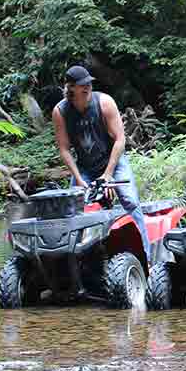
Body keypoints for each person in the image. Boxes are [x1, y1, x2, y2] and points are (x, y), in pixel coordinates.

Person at [52, 65, 150, 261]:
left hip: (114, 160)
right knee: (74, 211)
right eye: (82, 84)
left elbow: (120, 139)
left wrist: (108, 175)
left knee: (130, 201)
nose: (87, 86)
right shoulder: (60, 111)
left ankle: (145, 256)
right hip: (85, 167)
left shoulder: (104, 102)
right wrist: (78, 179)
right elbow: (64, 148)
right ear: (71, 89)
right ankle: (80, 261)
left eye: (89, 83)